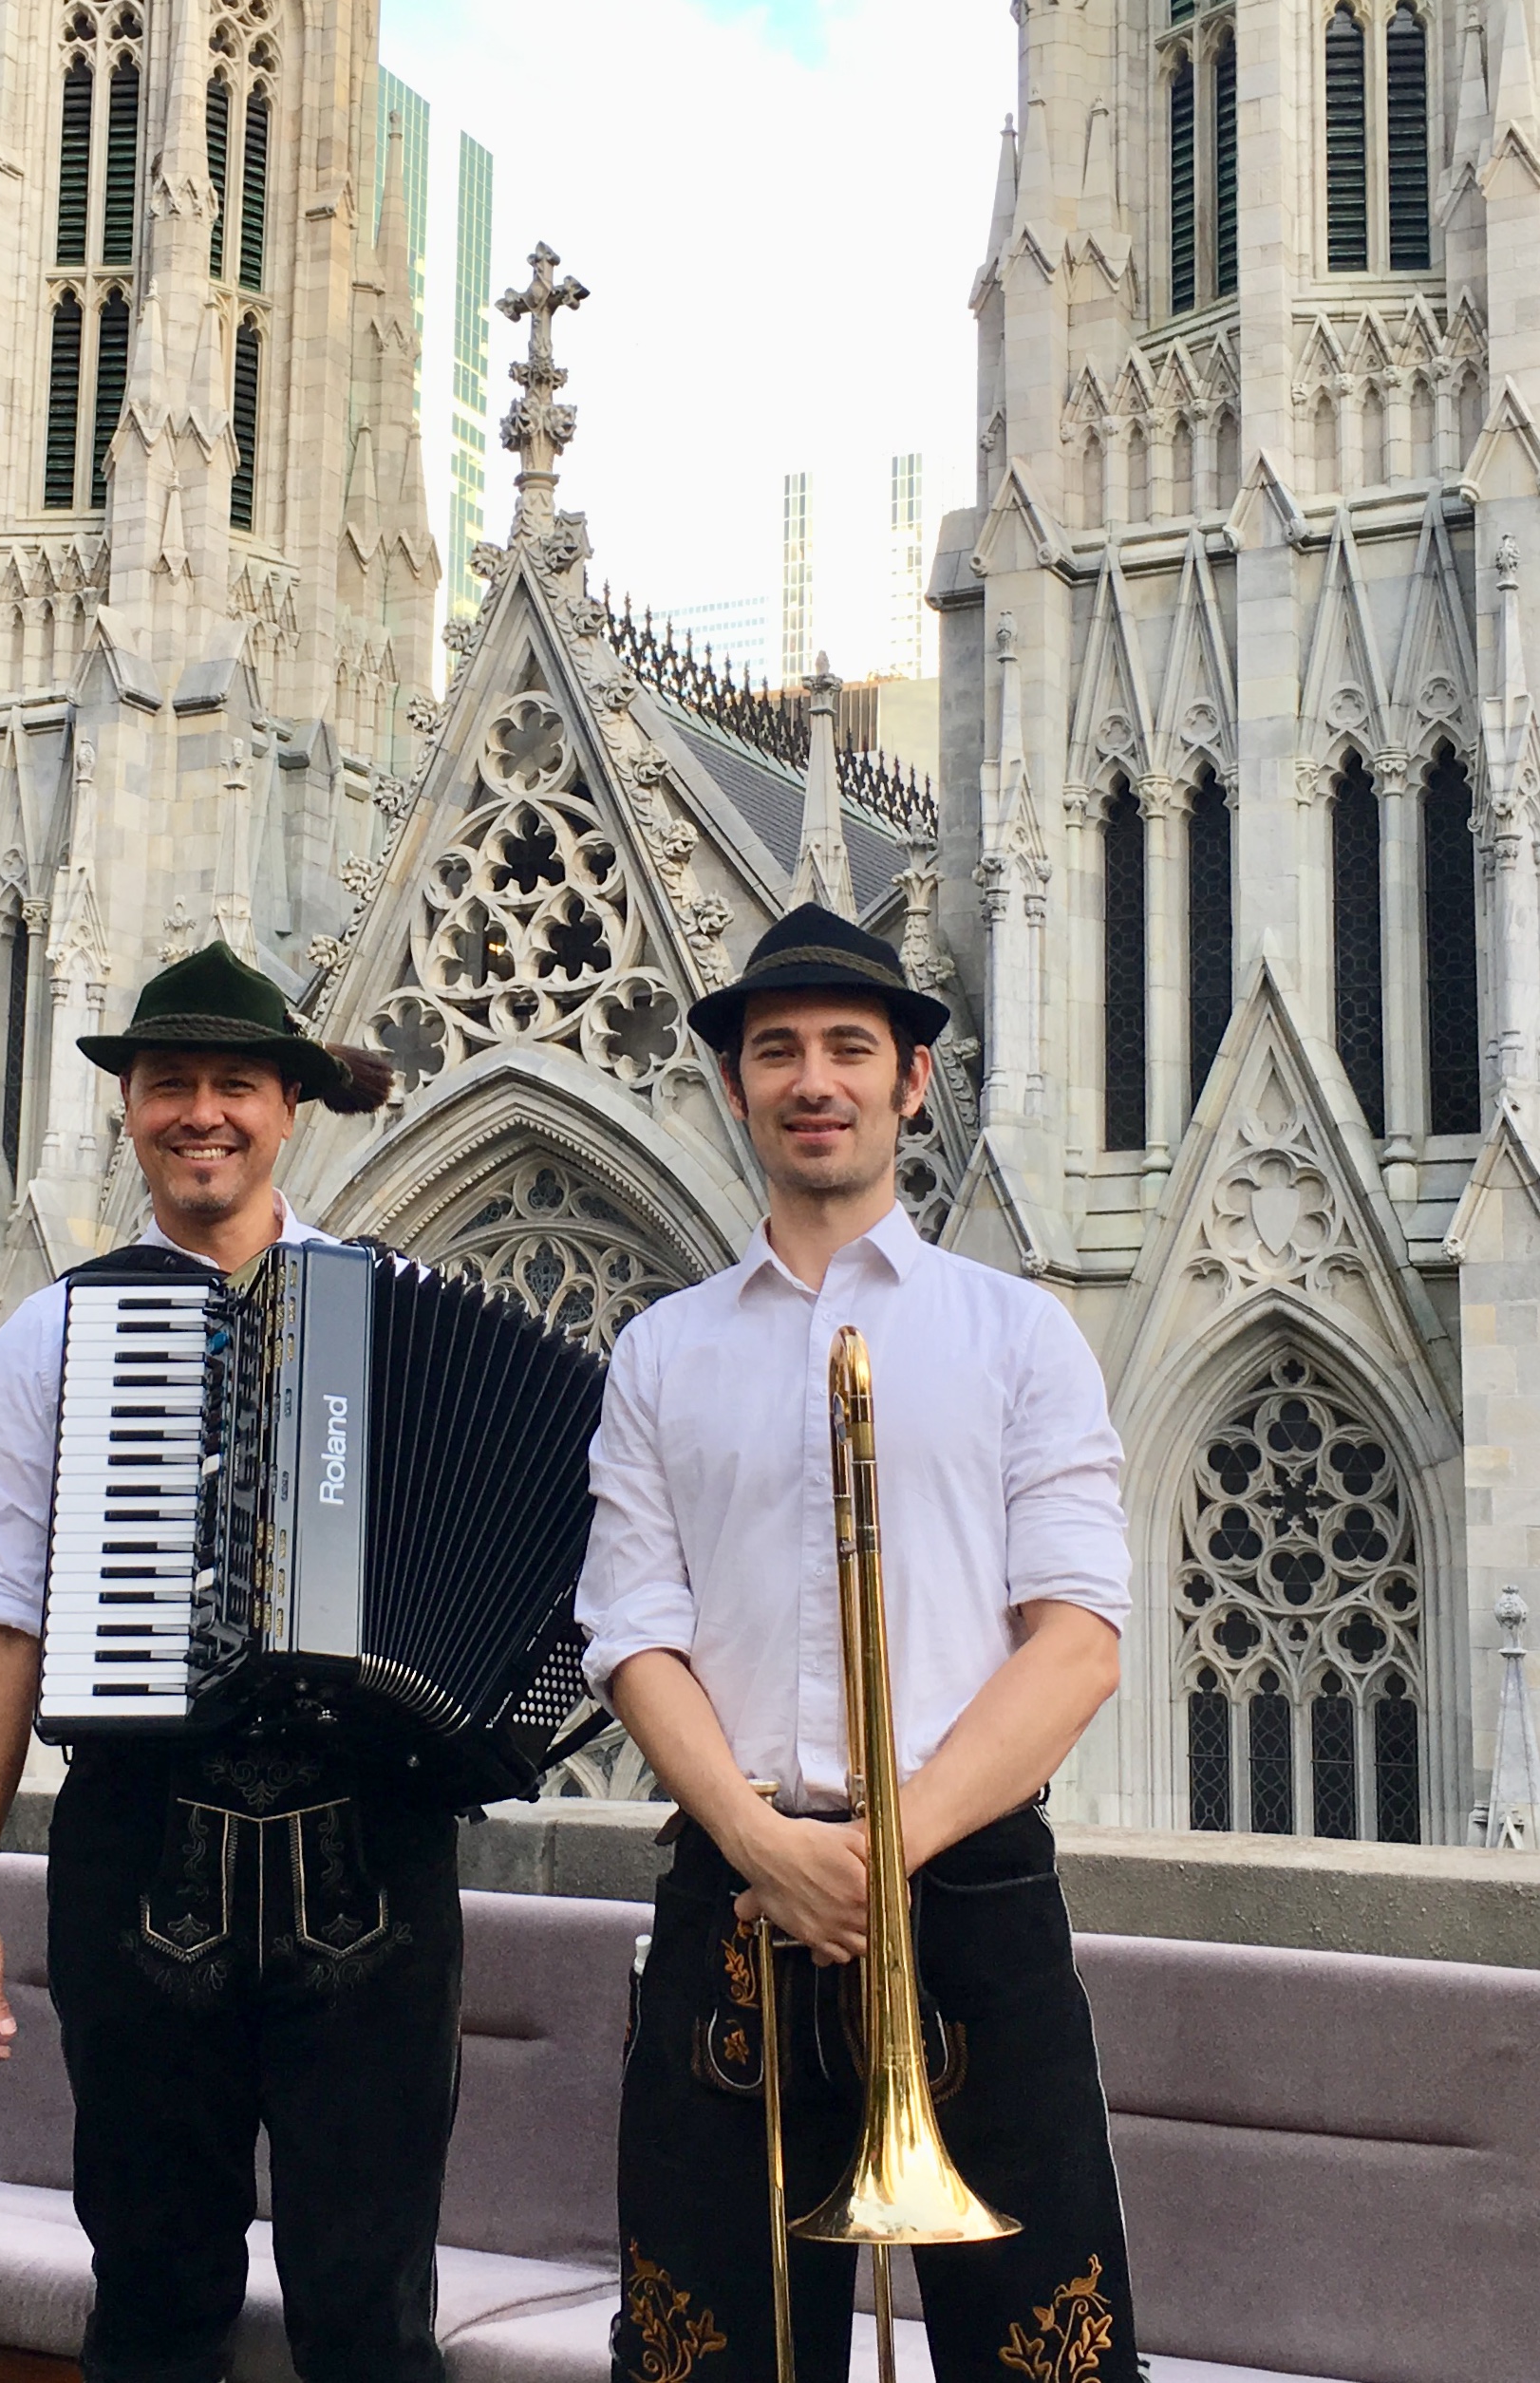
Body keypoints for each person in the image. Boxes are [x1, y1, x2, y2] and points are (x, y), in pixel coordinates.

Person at [578, 905, 1141, 2383]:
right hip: (738, 1901)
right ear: (735, 1085)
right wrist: (766, 1848)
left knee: (1047, 2361)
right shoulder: (660, 1351)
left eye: (847, 1048)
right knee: (702, 2356)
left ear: (910, 1084)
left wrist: (878, 1849)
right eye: (776, 1051)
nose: (810, 1078)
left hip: (964, 1897)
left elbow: (1078, 1642)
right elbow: (634, 1636)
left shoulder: (1019, 1334)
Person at [0, 940, 465, 2383]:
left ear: (288, 1107)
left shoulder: (392, 1306)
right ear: (130, 1109)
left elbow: (491, 1544)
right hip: (138, 1859)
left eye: (235, 1082)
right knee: (153, 2297)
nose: (201, 1113)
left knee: (369, 2310)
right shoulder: (51, 1335)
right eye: (171, 1084)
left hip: (370, 1867)